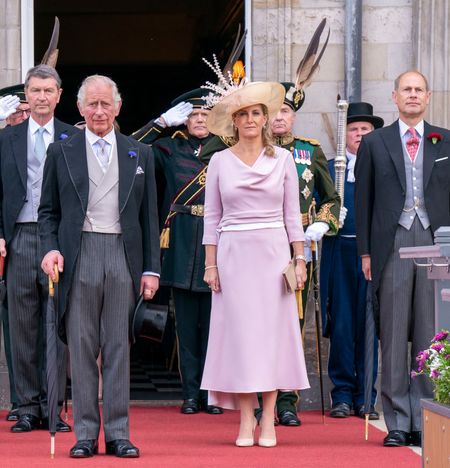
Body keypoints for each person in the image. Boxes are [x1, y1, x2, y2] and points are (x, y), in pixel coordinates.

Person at [39, 74, 160, 458]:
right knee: (82, 344)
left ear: (118, 107)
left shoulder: (139, 153)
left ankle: (119, 432)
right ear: (79, 108)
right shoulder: (61, 152)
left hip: (123, 255)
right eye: (92, 104)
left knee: (118, 346)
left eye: (106, 103)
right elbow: (47, 212)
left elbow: (150, 217)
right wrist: (50, 249)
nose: (99, 110)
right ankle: (86, 434)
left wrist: (151, 269)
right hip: (79, 255)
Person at [201, 80, 310, 448]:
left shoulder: (283, 160)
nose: (250, 119)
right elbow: (211, 218)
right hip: (232, 256)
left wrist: (299, 259)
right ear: (235, 120)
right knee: (242, 340)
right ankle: (246, 419)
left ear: (265, 119)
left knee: (271, 339)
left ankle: (270, 419)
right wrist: (210, 265)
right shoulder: (218, 160)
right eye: (243, 114)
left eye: (256, 113)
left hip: (273, 254)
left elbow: (293, 215)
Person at [355, 70, 450, 447]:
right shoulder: (375, 142)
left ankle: (427, 417)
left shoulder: (445, 140)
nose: (412, 95)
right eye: (406, 90)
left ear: (428, 97)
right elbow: (362, 200)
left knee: (431, 335)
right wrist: (365, 252)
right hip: (392, 241)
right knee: (393, 333)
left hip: (435, 240)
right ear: (394, 97)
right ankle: (396, 419)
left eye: (418, 90)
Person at [0, 65, 77, 433]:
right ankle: (26, 405)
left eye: (49, 91)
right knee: (21, 324)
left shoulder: (71, 139)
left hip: (58, 240)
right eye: (35, 91)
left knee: (56, 323)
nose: (42, 97)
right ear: (26, 96)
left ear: (59, 95)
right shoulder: (7, 139)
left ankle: (52, 406)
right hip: (18, 236)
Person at [152, 88, 222, 415]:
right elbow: (133, 149)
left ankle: (212, 394)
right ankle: (190, 394)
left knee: (213, 330)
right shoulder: (170, 147)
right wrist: (161, 123)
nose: (199, 120)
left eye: (206, 115)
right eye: (194, 115)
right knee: (186, 330)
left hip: (217, 244)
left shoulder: (226, 150)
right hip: (180, 242)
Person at [320, 102, 383, 419]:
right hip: (340, 253)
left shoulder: (384, 168)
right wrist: (327, 217)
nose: (359, 134)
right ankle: (342, 394)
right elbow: (315, 206)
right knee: (343, 324)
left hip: (372, 255)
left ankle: (365, 396)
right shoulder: (330, 169)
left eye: (365, 130)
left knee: (369, 325)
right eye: (354, 129)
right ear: (345, 134)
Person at [0, 84, 31, 423]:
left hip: (35, 241)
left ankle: (36, 399)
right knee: (14, 325)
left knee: (39, 322)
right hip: (7, 243)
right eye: (16, 112)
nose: (22, 118)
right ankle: (22, 400)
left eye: (26, 112)